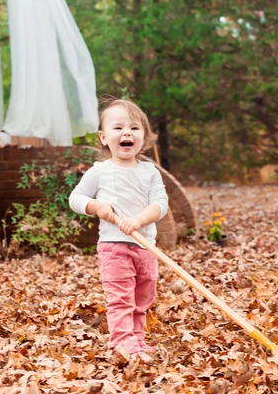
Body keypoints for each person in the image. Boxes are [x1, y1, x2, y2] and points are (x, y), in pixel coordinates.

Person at [69, 98, 169, 363]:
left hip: (146, 245)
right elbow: (75, 199)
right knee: (121, 298)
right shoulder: (100, 171)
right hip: (115, 247)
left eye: (135, 128)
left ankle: (137, 339)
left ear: (144, 137)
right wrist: (96, 206)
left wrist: (137, 220)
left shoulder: (150, 172)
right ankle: (122, 343)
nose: (127, 133)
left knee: (143, 298)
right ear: (103, 137)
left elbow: (161, 205)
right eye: (118, 128)